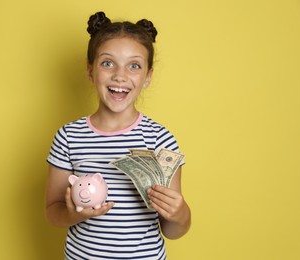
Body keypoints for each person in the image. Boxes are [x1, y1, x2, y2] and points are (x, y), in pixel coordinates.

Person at [46, 11, 191, 259]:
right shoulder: (68, 136)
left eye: (134, 65)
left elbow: (173, 231)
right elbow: (53, 212)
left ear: (147, 77)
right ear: (91, 71)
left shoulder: (160, 139)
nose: (120, 75)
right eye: (107, 63)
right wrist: (76, 213)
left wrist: (180, 214)